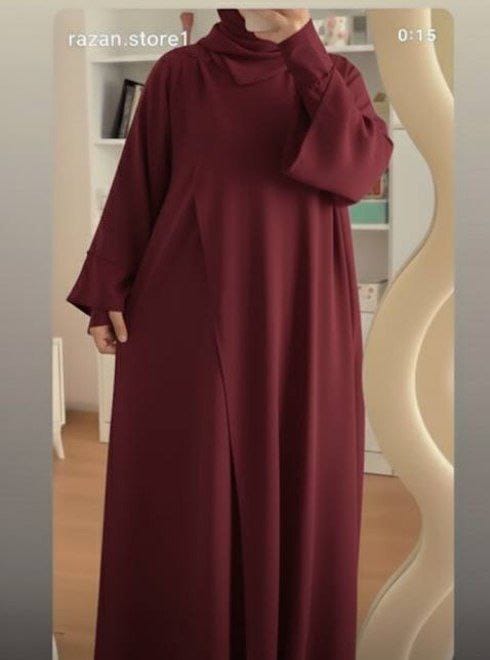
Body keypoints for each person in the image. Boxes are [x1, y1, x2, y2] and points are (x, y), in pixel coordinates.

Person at [67, 8, 394, 659]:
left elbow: (358, 173)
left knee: (301, 478)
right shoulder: (179, 74)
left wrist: (303, 51)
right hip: (189, 315)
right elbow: (139, 185)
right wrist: (107, 289)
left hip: (303, 321)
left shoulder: (337, 78)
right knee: (193, 494)